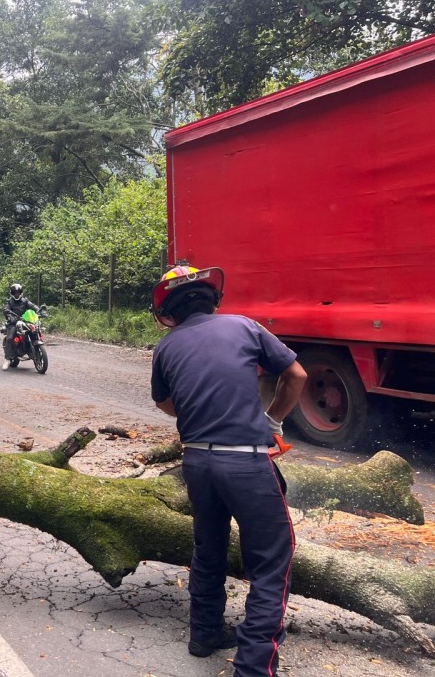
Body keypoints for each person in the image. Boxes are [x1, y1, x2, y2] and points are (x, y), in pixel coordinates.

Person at [149, 264, 307, 677]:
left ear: (170, 312)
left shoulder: (165, 348)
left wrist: (200, 408)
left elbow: (166, 403)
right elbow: (296, 374)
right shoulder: (244, 326)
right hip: (245, 461)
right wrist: (272, 420)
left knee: (209, 547)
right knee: (273, 559)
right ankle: (254, 668)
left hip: (197, 461)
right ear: (212, 298)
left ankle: (205, 632)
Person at [1, 283, 40, 369]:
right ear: (12, 293)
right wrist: (10, 317)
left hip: (25, 321)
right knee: (10, 338)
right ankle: (7, 359)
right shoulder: (9, 302)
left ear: (21, 292)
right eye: (15, 293)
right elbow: (5, 310)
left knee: (34, 330)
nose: (17, 294)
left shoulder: (24, 300)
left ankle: (32, 348)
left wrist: (38, 310)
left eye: (18, 293)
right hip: (13, 323)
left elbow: (32, 306)